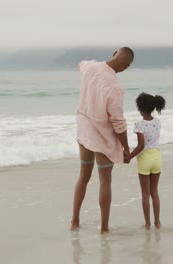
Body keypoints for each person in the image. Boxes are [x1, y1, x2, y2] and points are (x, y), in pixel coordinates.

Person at [70, 47, 134, 233]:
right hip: (102, 140)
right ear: (126, 66)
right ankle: (104, 228)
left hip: (84, 133)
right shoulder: (114, 87)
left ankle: (74, 222)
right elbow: (118, 123)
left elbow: (80, 64)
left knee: (83, 176)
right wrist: (126, 148)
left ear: (115, 53)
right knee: (105, 181)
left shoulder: (90, 67)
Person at [125, 92, 166, 229]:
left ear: (140, 109)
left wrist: (129, 156)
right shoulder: (158, 122)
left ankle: (148, 223)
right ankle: (158, 222)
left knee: (145, 193)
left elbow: (141, 145)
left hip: (145, 159)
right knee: (155, 191)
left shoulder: (139, 124)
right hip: (157, 158)